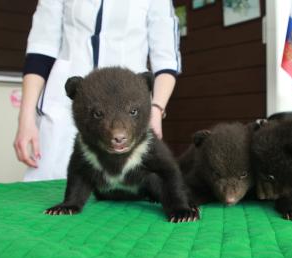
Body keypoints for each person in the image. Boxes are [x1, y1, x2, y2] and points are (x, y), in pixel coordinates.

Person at [13, 0, 181, 181]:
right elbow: (41, 50)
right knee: (49, 189)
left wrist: (156, 109)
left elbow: (166, 60)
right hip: (64, 107)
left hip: (127, 107)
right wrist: (26, 117)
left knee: (124, 192)